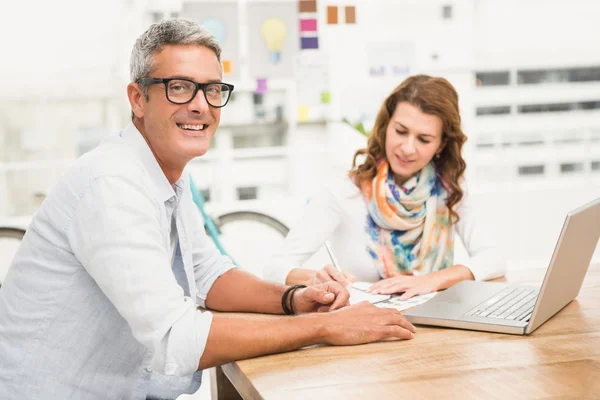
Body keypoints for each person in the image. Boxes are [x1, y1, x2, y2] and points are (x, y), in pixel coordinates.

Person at [0, 20, 416, 400]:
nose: (201, 105)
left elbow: (208, 275)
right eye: (179, 87)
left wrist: (294, 300)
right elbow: (175, 338)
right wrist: (325, 327)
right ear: (137, 98)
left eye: (212, 89)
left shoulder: (167, 176)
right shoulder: (112, 184)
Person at [264, 75, 506, 299]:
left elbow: (494, 259)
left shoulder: (449, 188)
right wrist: (313, 277)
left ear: (441, 145)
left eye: (424, 139)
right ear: (386, 126)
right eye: (401, 131)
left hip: (437, 327)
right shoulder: (344, 191)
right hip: (367, 329)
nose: (407, 148)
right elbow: (274, 268)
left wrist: (430, 281)